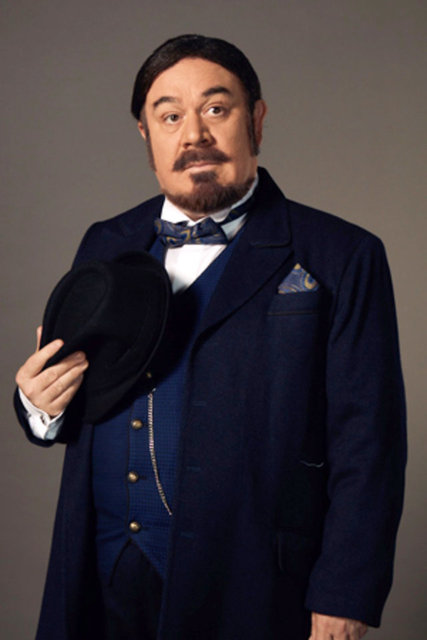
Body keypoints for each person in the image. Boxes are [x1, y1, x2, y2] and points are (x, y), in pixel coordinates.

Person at [14, 34, 406, 640]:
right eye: (169, 116)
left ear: (256, 119)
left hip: (253, 581)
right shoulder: (104, 243)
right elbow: (73, 397)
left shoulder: (342, 254)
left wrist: (344, 594)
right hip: (101, 570)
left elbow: (369, 443)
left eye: (216, 109)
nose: (193, 134)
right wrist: (39, 405)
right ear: (146, 135)